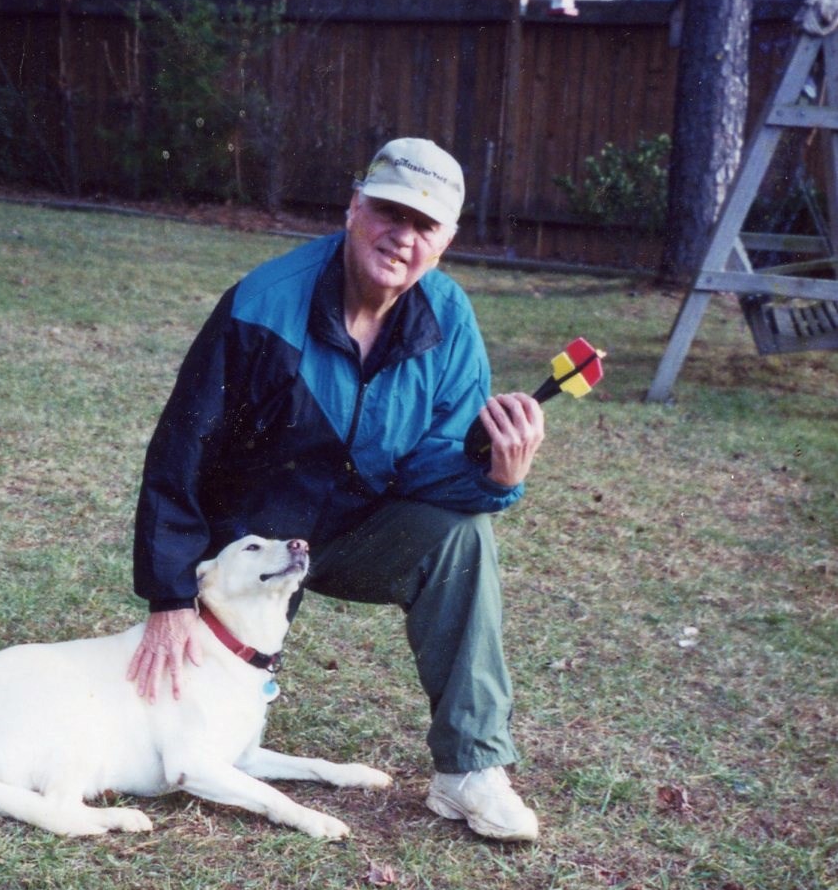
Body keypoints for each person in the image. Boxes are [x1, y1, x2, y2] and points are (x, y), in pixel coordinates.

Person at [128, 137, 545, 841]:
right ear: (353, 208)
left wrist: (495, 475)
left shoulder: (448, 322)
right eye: (389, 211)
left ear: (445, 241)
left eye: (424, 225)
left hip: (357, 528)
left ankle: (469, 769)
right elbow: (181, 451)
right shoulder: (263, 305)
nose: (401, 236)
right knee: (181, 731)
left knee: (462, 538)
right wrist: (170, 596)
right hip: (250, 542)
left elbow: (432, 463)